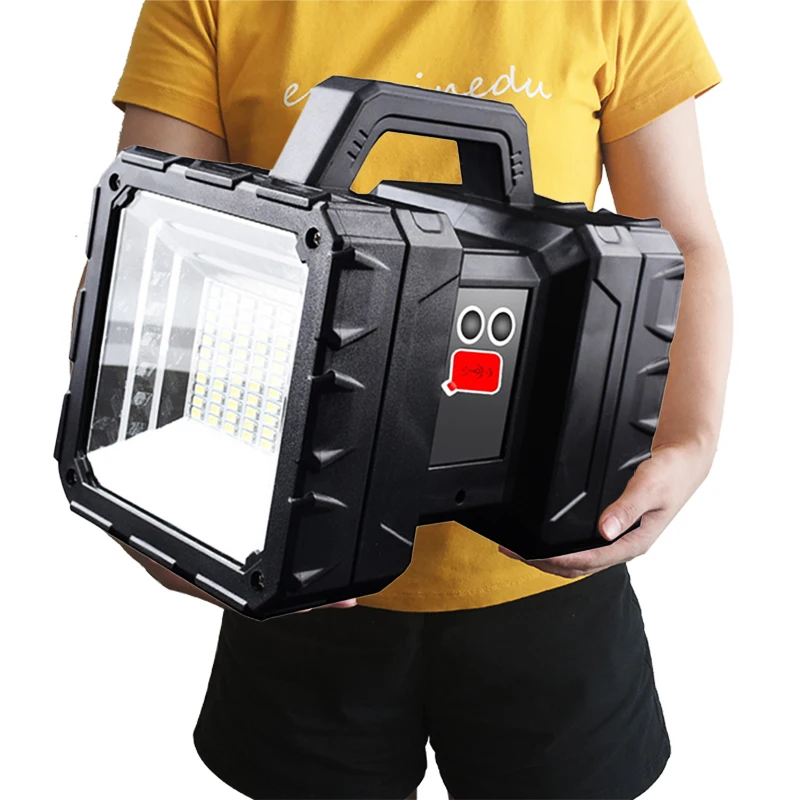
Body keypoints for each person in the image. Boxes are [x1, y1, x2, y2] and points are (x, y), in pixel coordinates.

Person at [80, 1, 732, 798]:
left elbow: (683, 238)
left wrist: (690, 444)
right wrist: (137, 488)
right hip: (289, 562)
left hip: (551, 572)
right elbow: (143, 245)